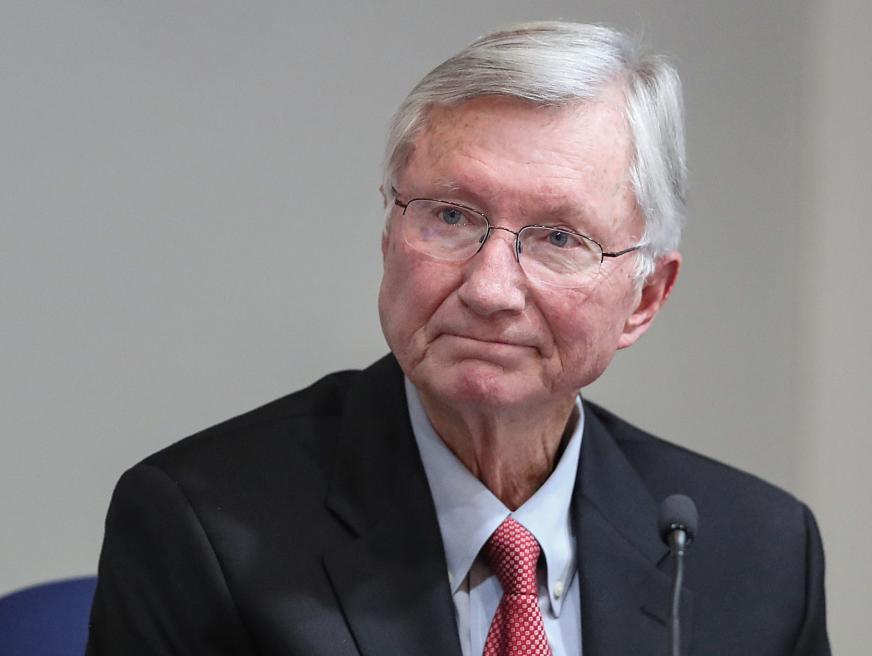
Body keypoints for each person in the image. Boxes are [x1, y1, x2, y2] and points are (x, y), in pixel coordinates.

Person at [87, 21, 830, 656]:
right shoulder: (202, 528)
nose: (489, 288)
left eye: (559, 237)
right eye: (450, 216)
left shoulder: (760, 556)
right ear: (389, 239)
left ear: (646, 299)